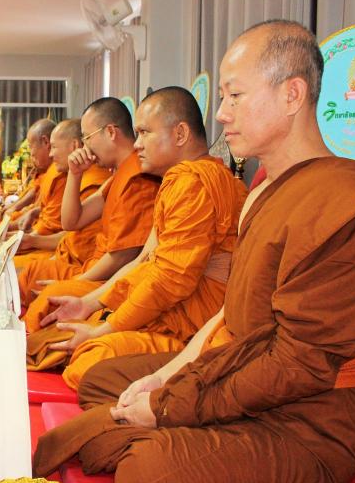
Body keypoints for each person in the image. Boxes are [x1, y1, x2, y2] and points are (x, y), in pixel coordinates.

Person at [33, 20, 355, 483]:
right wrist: (169, 377)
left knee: (145, 478)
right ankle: (172, 431)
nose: (220, 114)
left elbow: (297, 366)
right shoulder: (261, 190)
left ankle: (170, 437)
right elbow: (227, 316)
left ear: (292, 94)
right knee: (101, 383)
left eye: (235, 96)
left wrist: (175, 406)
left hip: (311, 419)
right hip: (241, 367)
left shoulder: (344, 208)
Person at [26, 87, 248, 386]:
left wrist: (105, 327)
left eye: (144, 133)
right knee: (69, 320)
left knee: (88, 363)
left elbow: (170, 279)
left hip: (191, 331)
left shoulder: (193, 183)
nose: (138, 144)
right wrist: (93, 303)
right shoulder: (178, 181)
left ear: (180, 134)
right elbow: (147, 261)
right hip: (164, 310)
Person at [22, 97, 160, 333]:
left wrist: (77, 282)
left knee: (48, 297)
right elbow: (71, 221)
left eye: (87, 137)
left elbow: (122, 256)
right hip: (91, 271)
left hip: (106, 279)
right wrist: (75, 174)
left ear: (110, 132)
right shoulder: (117, 176)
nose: (85, 147)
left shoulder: (139, 177)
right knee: (31, 277)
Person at [13, 119, 110, 276]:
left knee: (18, 274)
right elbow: (68, 230)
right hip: (61, 254)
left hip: (78, 266)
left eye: (54, 147)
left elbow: (77, 240)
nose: (51, 154)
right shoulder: (73, 177)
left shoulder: (93, 182)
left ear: (74, 146)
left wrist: (32, 240)